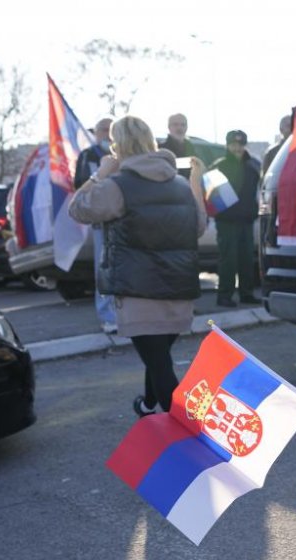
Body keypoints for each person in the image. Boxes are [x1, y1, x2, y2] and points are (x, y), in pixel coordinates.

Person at [68, 115, 206, 416]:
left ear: (118, 146)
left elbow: (76, 209)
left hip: (138, 292)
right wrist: (195, 185)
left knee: (160, 364)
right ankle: (147, 404)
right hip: (178, 290)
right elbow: (198, 227)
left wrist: (98, 176)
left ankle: (187, 437)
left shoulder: (117, 186)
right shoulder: (180, 184)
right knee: (158, 359)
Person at [74, 118, 118, 333]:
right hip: (102, 222)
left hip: (122, 220)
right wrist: (101, 174)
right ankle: (107, 317)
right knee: (104, 269)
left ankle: (124, 314)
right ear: (97, 133)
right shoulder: (88, 156)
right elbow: (80, 186)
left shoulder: (123, 155)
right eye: (104, 130)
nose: (108, 135)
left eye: (112, 130)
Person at [209, 130, 261, 307]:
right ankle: (224, 295)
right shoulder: (219, 166)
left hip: (246, 220)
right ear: (227, 145)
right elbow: (210, 195)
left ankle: (247, 293)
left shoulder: (253, 166)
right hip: (227, 221)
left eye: (240, 144)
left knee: (247, 260)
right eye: (233, 144)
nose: (237, 148)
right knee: (228, 260)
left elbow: (258, 191)